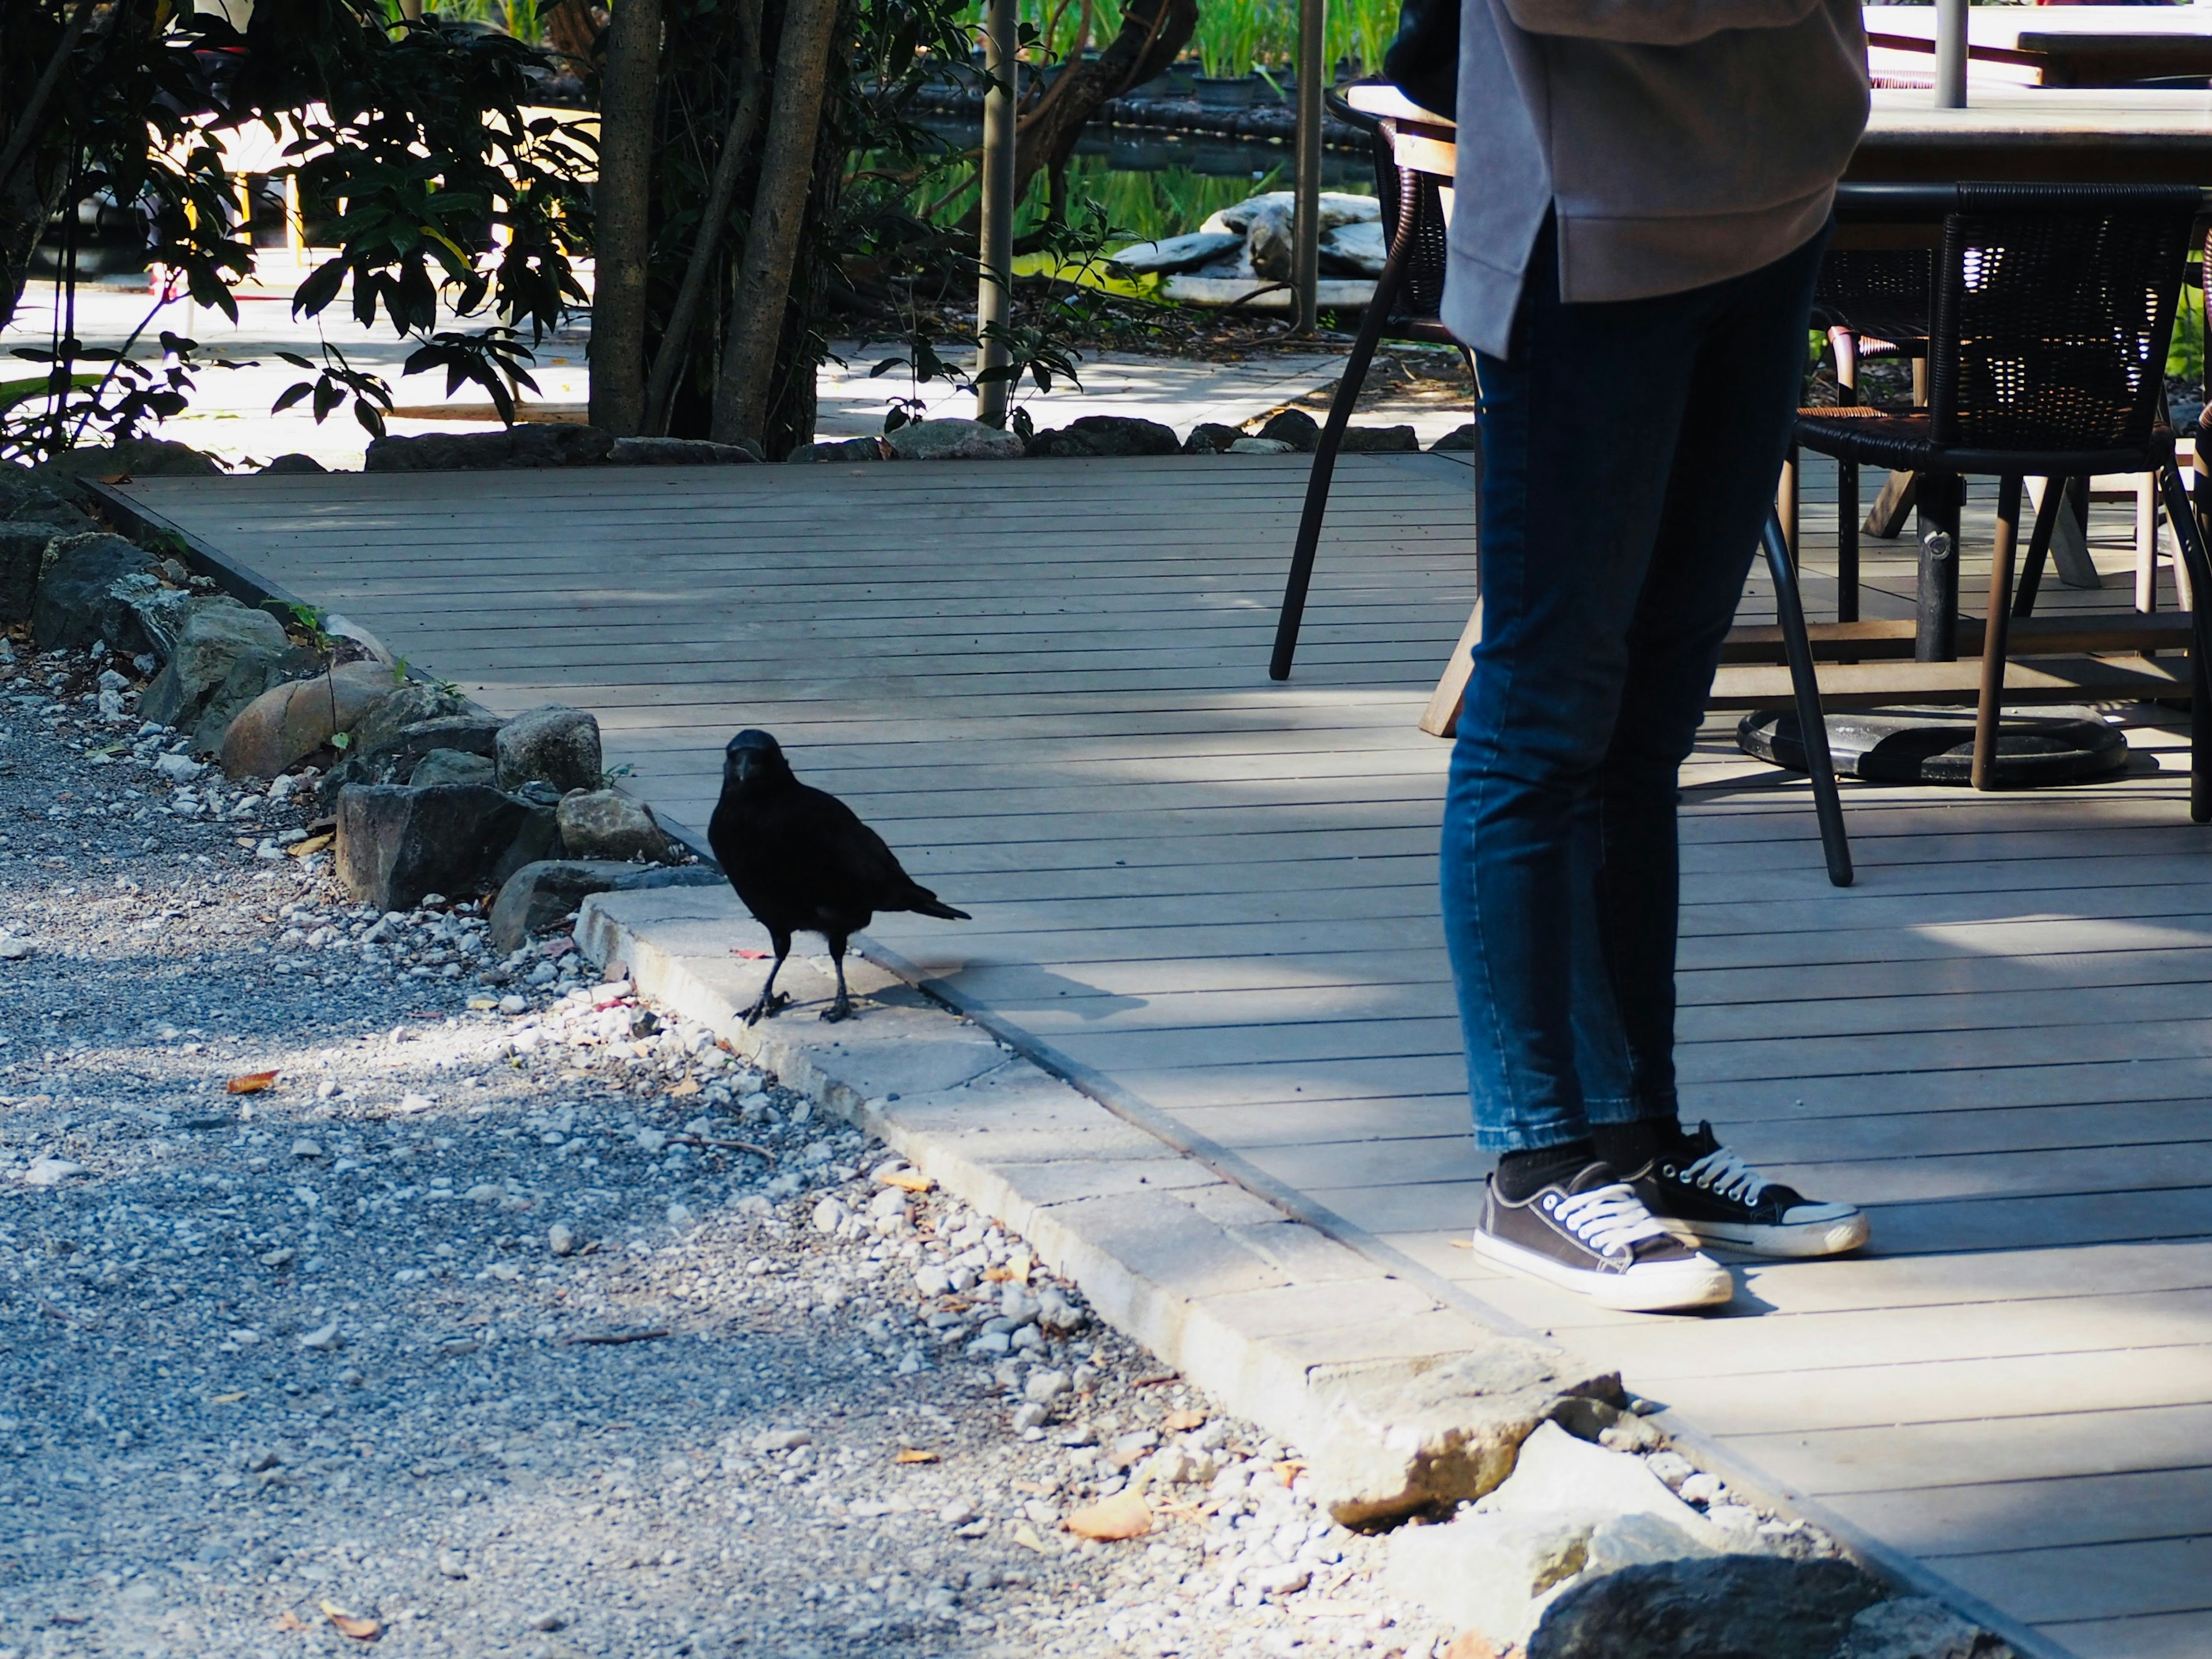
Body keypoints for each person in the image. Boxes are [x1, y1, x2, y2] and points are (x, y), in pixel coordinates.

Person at [1440, 0, 1874, 1310]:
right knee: (1540, 716)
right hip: (1586, 242)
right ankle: (1533, 1172)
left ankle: (1635, 1144)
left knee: (1649, 721)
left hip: (1775, 215)